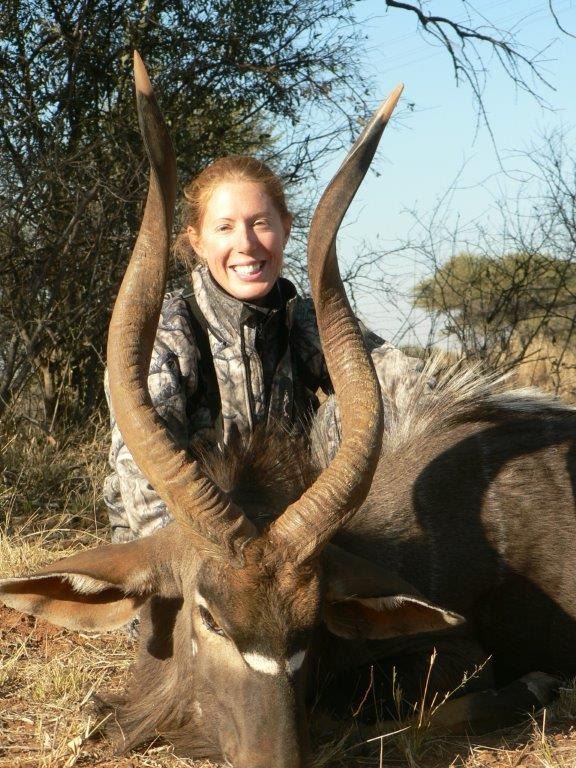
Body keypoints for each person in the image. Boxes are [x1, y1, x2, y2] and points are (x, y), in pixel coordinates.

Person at [104, 155, 429, 544]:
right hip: (187, 546)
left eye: (260, 223)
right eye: (224, 227)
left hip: (291, 542)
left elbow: (412, 389)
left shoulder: (312, 320)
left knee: (356, 411)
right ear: (197, 241)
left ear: (285, 228)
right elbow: (144, 493)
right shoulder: (167, 334)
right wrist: (223, 563)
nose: (246, 243)